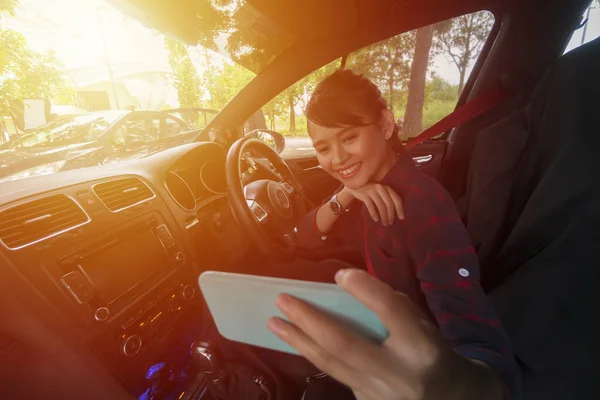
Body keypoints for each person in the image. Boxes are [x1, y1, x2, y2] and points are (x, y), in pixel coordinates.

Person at [268, 70, 520, 399]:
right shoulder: (367, 188)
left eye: (348, 138)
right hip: (370, 325)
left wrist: (453, 383)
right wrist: (347, 193)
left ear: (385, 125)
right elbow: (304, 238)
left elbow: (471, 324)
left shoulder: (421, 206)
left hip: (404, 358)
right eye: (323, 148)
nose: (338, 158)